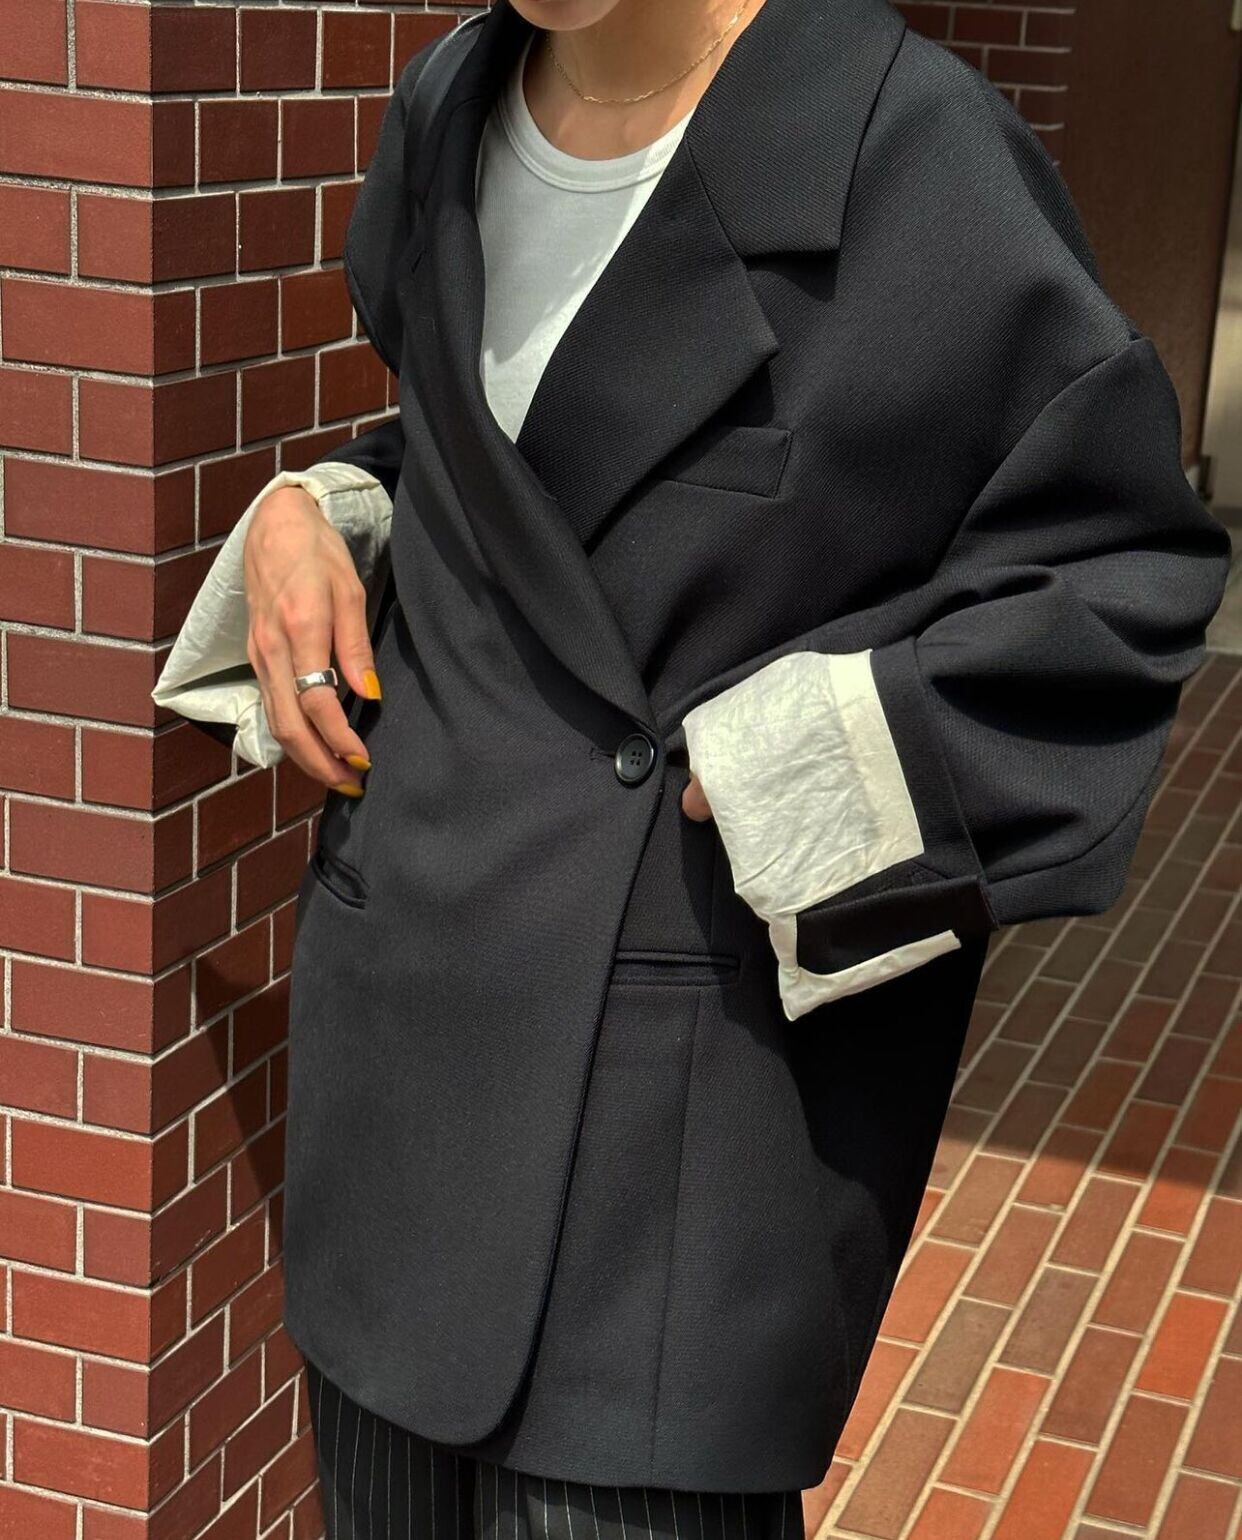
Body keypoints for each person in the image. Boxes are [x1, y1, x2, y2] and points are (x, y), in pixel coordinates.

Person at [152, 0, 1232, 1536]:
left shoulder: (897, 146)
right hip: (407, 1034)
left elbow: (1114, 579)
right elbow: (506, 473)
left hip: (683, 1093)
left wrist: (804, 769)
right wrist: (314, 509)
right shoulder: (450, 103)